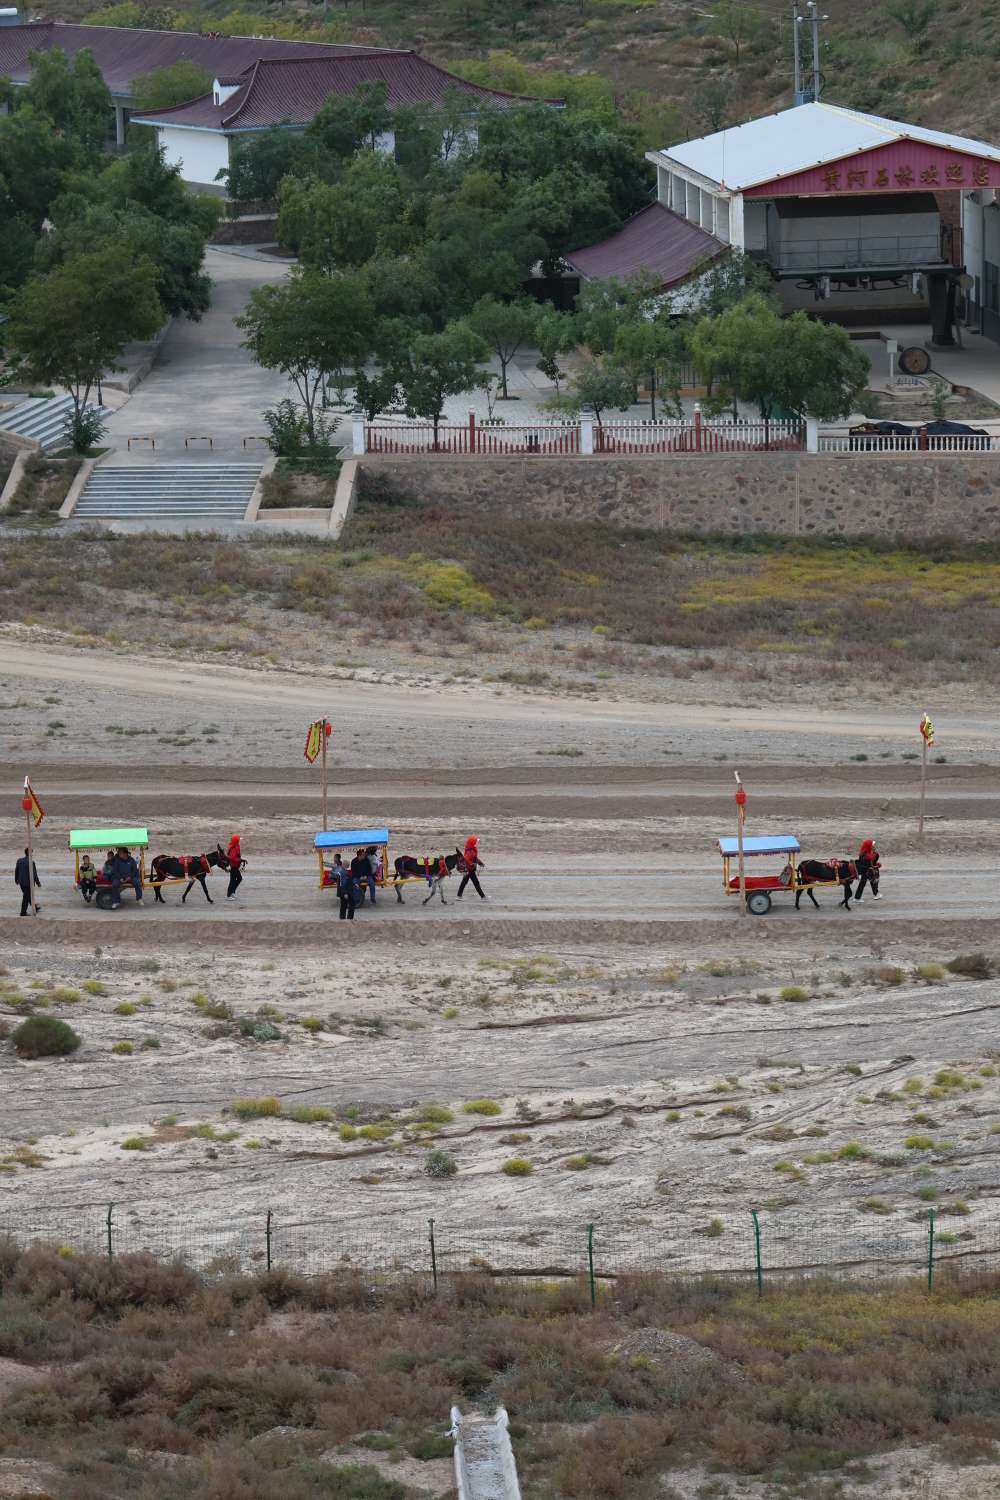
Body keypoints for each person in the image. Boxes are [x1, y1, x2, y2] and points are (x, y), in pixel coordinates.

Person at [456, 835, 487, 901]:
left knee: (464, 882)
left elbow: (475, 858)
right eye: (475, 842)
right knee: (475, 883)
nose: (476, 843)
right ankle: (483, 897)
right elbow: (466, 859)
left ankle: (459, 896)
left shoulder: (472, 849)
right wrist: (471, 864)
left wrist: (480, 863)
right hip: (469, 870)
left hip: (470, 869)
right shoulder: (469, 851)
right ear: (472, 843)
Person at [14, 847, 40, 916]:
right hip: (28, 883)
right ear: (30, 853)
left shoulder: (19, 860)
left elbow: (16, 871)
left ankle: (35, 907)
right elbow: (34, 874)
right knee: (26, 897)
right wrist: (38, 883)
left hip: (21, 882)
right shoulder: (31, 862)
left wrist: (16, 880)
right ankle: (23, 912)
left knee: (27, 896)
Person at [855, 838, 881, 903]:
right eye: (872, 845)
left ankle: (857, 897)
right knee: (872, 882)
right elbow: (872, 861)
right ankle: (876, 894)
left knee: (865, 883)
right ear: (869, 846)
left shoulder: (863, 853)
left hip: (866, 871)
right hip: (868, 871)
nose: (874, 846)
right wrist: (876, 865)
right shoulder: (868, 855)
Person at [332, 854, 357, 921]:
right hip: (346, 892)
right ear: (346, 865)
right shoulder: (344, 872)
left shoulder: (341, 871)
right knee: (352, 904)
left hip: (342, 891)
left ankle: (342, 918)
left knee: (343, 905)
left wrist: (354, 884)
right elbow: (344, 883)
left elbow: (345, 882)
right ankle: (350, 918)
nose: (349, 866)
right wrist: (345, 893)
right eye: (348, 865)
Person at [226, 833, 244, 899]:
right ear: (236, 841)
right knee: (234, 880)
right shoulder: (233, 848)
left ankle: (232, 892)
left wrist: (240, 860)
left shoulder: (236, 845)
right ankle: (229, 895)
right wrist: (240, 860)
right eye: (238, 840)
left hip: (235, 866)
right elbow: (232, 858)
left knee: (238, 879)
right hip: (233, 866)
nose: (239, 841)